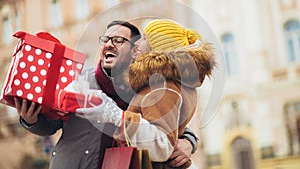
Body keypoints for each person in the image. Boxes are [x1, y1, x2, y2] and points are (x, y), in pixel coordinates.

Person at [14, 20, 199, 169]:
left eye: (118, 40)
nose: (109, 44)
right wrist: (31, 120)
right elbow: (51, 124)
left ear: (135, 50)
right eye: (106, 39)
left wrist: (189, 142)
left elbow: (169, 124)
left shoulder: (143, 87)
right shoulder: (78, 81)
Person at [76, 19, 216, 168]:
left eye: (143, 38)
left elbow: (162, 144)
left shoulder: (163, 86)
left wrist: (116, 116)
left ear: (156, 47)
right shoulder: (155, 82)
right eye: (105, 39)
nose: (136, 44)